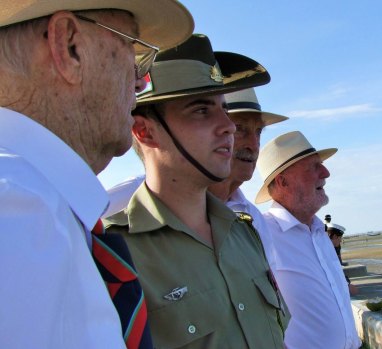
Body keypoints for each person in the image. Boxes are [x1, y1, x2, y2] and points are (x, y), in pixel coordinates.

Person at [0, 2, 193, 348]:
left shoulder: (35, 209)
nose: (141, 82)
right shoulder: (17, 213)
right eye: (134, 52)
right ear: (69, 46)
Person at [105, 34, 288, 348]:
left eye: (224, 109)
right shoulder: (114, 256)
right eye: (201, 111)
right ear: (144, 131)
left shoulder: (244, 234)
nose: (228, 126)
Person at [256, 131, 361, 349]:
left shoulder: (319, 232)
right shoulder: (260, 233)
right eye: (313, 166)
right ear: (283, 181)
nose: (326, 172)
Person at [209, 87, 288, 267]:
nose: (253, 144)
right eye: (239, 129)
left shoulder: (254, 217)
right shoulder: (136, 198)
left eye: (259, 132)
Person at [327, 222, 359, 295]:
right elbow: (334, 270)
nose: (341, 240)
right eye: (340, 238)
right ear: (335, 236)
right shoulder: (326, 250)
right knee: (354, 290)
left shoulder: (334, 247)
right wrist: (346, 284)